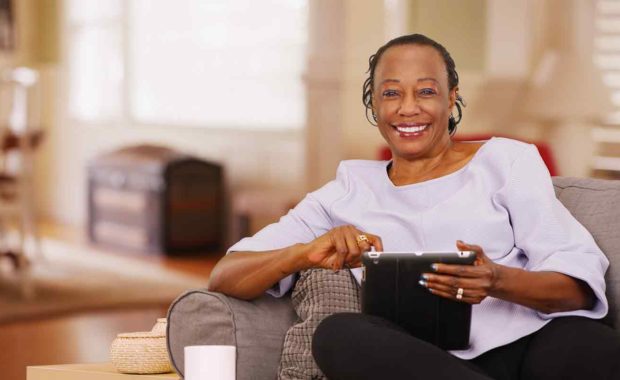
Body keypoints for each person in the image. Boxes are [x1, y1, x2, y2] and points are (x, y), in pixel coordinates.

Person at [208, 33, 620, 379]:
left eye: (426, 91)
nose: (409, 108)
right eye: (391, 93)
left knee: (585, 340)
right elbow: (226, 275)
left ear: (451, 98)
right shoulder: (344, 192)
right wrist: (302, 253)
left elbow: (577, 289)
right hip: (421, 363)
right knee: (337, 334)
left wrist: (496, 280)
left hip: (528, 348)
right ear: (374, 105)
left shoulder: (507, 161)